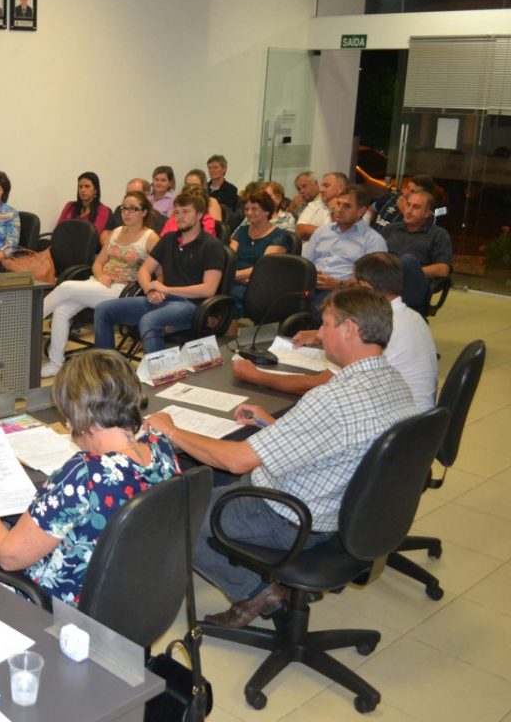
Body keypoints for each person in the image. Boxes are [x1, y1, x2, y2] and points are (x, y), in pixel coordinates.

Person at [148, 287, 419, 627]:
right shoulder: (394, 381)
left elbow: (237, 461)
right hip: (346, 511)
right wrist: (271, 424)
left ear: (349, 329)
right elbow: (342, 441)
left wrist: (170, 430)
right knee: (211, 481)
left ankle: (256, 592)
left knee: (172, 513)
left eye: (326, 324)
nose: (320, 334)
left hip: (294, 519)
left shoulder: (334, 398)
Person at [0, 350, 179, 607]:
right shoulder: (162, 447)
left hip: (59, 605)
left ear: (80, 416)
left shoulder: (85, 475)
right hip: (128, 596)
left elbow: (9, 558)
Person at [232, 252, 438, 412]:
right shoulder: (410, 316)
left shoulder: (384, 325)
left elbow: (317, 385)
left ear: (365, 288)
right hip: (411, 429)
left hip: (388, 431)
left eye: (352, 283)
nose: (347, 287)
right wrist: (323, 333)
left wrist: (258, 376)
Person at [41, 189, 159, 377]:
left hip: (123, 291)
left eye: (133, 209)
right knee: (61, 310)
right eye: (124, 208)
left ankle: (25, 324)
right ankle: (56, 363)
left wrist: (155, 290)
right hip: (100, 283)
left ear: (144, 212)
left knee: (64, 287)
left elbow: (160, 270)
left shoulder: (150, 237)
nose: (126, 213)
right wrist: (101, 275)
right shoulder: (117, 232)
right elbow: (98, 263)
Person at [93, 191, 225, 354]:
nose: (179, 217)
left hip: (191, 305)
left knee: (149, 321)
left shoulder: (212, 245)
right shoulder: (169, 239)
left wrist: (166, 289)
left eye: (185, 212)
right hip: (162, 300)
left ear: (199, 214)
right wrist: (150, 288)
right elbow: (144, 270)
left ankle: (159, 375)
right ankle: (107, 370)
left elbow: (208, 289)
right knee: (103, 310)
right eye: (176, 212)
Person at [304, 185, 387, 302]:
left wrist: (338, 285)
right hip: (309, 287)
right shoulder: (321, 232)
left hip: (344, 295)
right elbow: (305, 264)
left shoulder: (373, 241)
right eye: (338, 204)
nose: (339, 209)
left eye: (347, 206)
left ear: (361, 211)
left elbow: (371, 286)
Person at [380, 185, 453, 314]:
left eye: (416, 207)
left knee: (407, 261)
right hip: (384, 280)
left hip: (414, 285)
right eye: (408, 205)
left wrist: (407, 271)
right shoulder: (391, 229)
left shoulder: (438, 235)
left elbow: (443, 269)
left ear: (427, 213)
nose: (409, 210)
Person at [230, 188, 288, 317]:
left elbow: (263, 268)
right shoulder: (242, 231)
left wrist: (233, 275)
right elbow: (230, 258)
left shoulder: (279, 236)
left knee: (232, 295)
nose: (249, 213)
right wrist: (233, 276)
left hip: (258, 284)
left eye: (254, 209)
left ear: (267, 211)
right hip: (237, 278)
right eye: (246, 209)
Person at [57, 171, 112, 241]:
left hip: (84, 247)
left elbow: (94, 234)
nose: (83, 190)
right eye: (80, 187)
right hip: (62, 242)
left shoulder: (103, 210)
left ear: (95, 190)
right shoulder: (70, 206)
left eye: (87, 186)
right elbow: (58, 228)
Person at [293, 171, 329, 240]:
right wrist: (292, 207)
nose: (301, 191)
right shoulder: (300, 205)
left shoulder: (324, 202)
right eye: (299, 189)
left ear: (315, 183)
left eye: (304, 186)